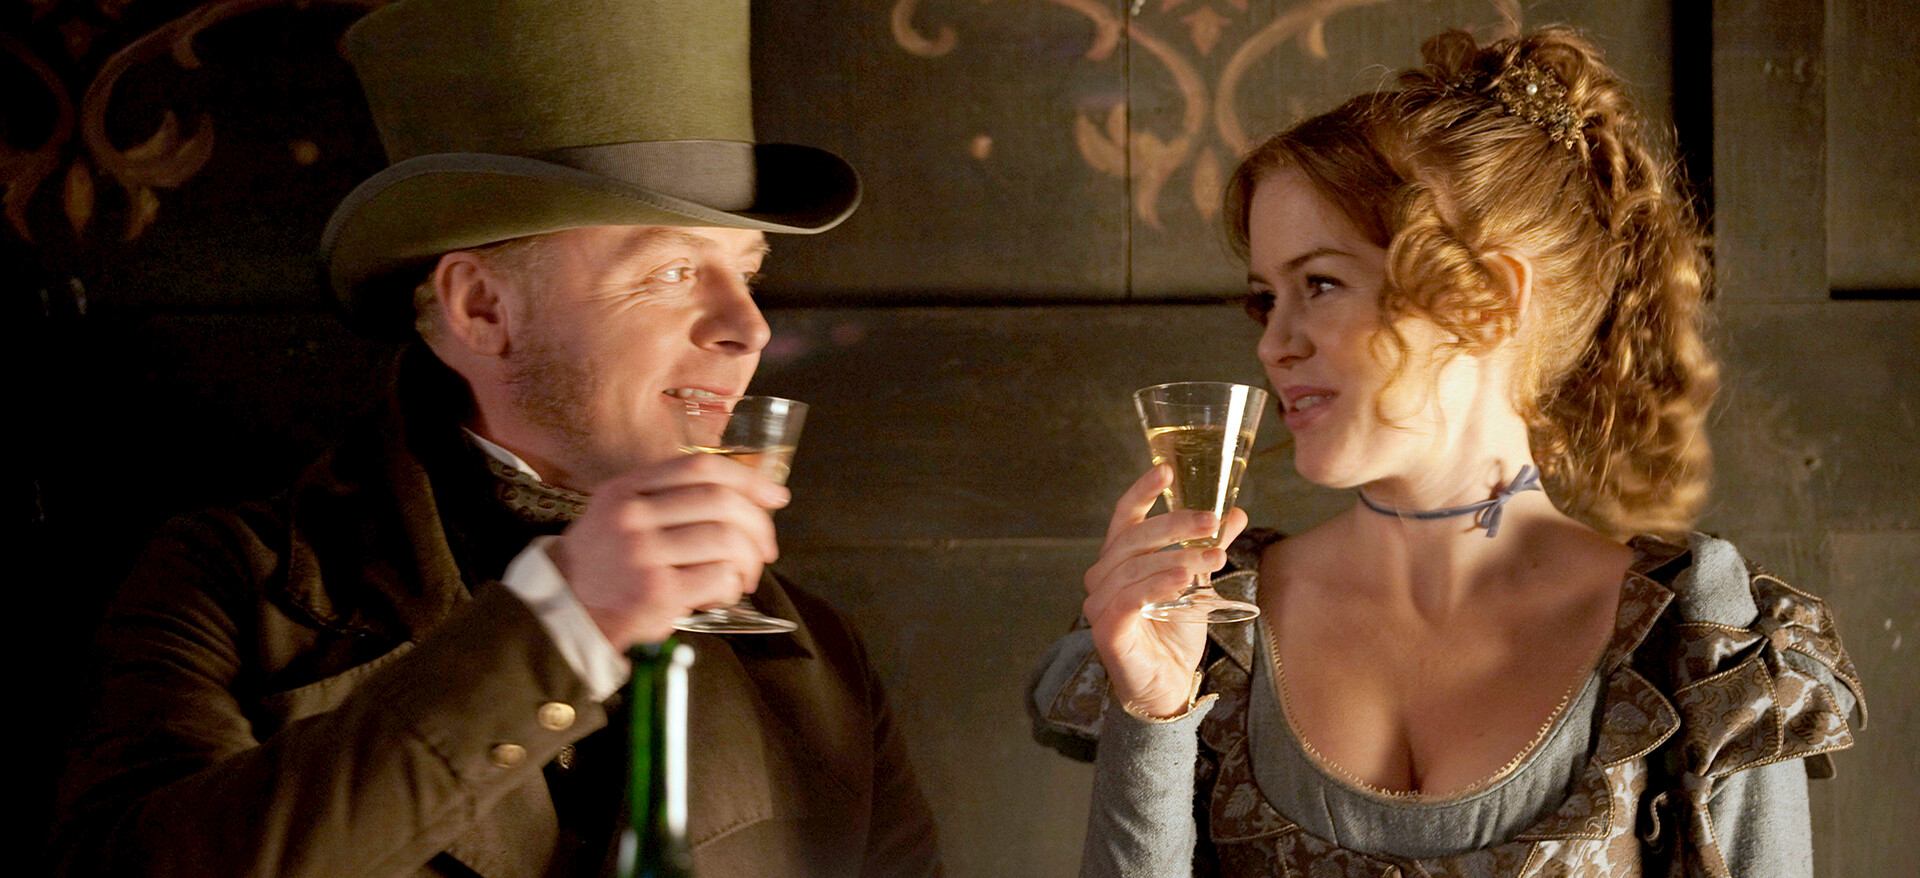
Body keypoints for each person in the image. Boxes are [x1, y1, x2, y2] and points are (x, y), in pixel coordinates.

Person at [51, 0, 941, 875]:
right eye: (673, 271)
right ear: (482, 308)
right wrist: (563, 624)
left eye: (747, 272)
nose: (748, 328)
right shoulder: (228, 583)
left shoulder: (819, 657)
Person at [1030, 26, 1863, 877]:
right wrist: (1155, 716)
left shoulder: (1700, 640)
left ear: (1492, 297)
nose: (1274, 344)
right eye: (1265, 299)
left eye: (1321, 284)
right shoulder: (1211, 624)